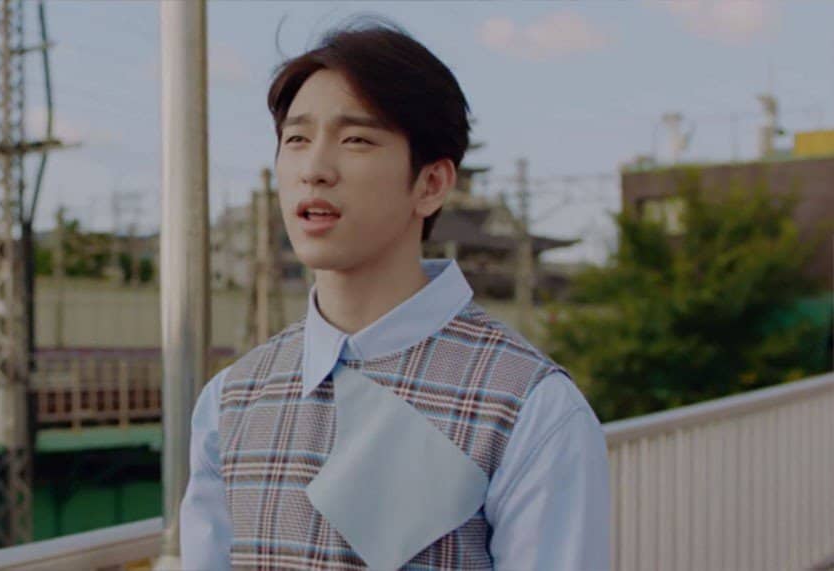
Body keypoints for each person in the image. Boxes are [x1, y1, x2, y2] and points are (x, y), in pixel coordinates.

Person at [180, 19, 610, 570]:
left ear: (431, 184)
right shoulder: (230, 400)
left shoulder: (530, 407)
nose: (314, 169)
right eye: (297, 139)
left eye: (356, 140)